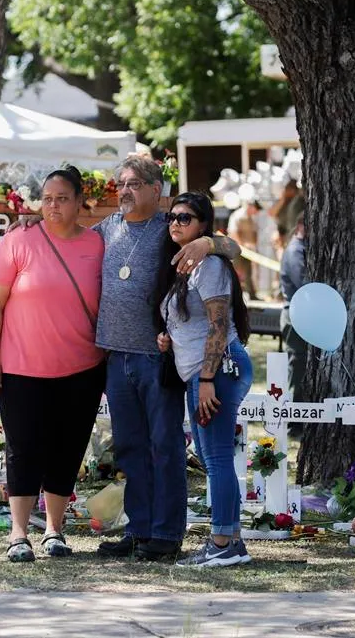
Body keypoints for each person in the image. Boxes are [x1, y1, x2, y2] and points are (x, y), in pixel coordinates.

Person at [92, 155, 241, 561]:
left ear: (156, 191)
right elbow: (67, 239)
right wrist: (31, 223)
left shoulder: (171, 226)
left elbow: (235, 248)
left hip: (157, 360)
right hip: (116, 357)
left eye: (135, 184)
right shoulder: (107, 228)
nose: (125, 190)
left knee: (165, 446)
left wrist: (209, 241)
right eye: (121, 183)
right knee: (130, 449)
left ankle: (166, 533)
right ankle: (138, 530)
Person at [0, 165, 107, 563]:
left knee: (68, 449)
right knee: (23, 449)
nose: (52, 206)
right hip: (22, 370)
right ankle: (19, 533)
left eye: (62, 198)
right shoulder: (20, 239)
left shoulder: (98, 244)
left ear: (79, 202)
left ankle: (54, 530)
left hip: (83, 368)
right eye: (47, 198)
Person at [156, 192, 253, 567]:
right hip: (201, 370)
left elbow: (218, 323)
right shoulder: (184, 266)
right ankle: (230, 540)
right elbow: (192, 321)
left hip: (214, 371)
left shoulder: (209, 263)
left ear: (202, 226)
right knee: (215, 458)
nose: (175, 223)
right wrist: (168, 337)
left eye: (185, 218)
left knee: (215, 460)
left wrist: (208, 379)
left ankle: (223, 543)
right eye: (172, 218)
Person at [280, 212, 307, 401]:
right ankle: (292, 420)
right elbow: (303, 283)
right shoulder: (295, 251)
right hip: (294, 314)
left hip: (301, 314)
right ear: (300, 226)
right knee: (297, 365)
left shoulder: (300, 248)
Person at [226, 199, 258, 298]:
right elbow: (233, 233)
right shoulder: (237, 216)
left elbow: (254, 233)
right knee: (237, 272)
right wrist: (242, 246)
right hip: (237, 250)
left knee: (248, 272)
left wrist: (252, 246)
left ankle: (251, 294)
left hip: (248, 251)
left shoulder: (250, 218)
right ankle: (233, 294)